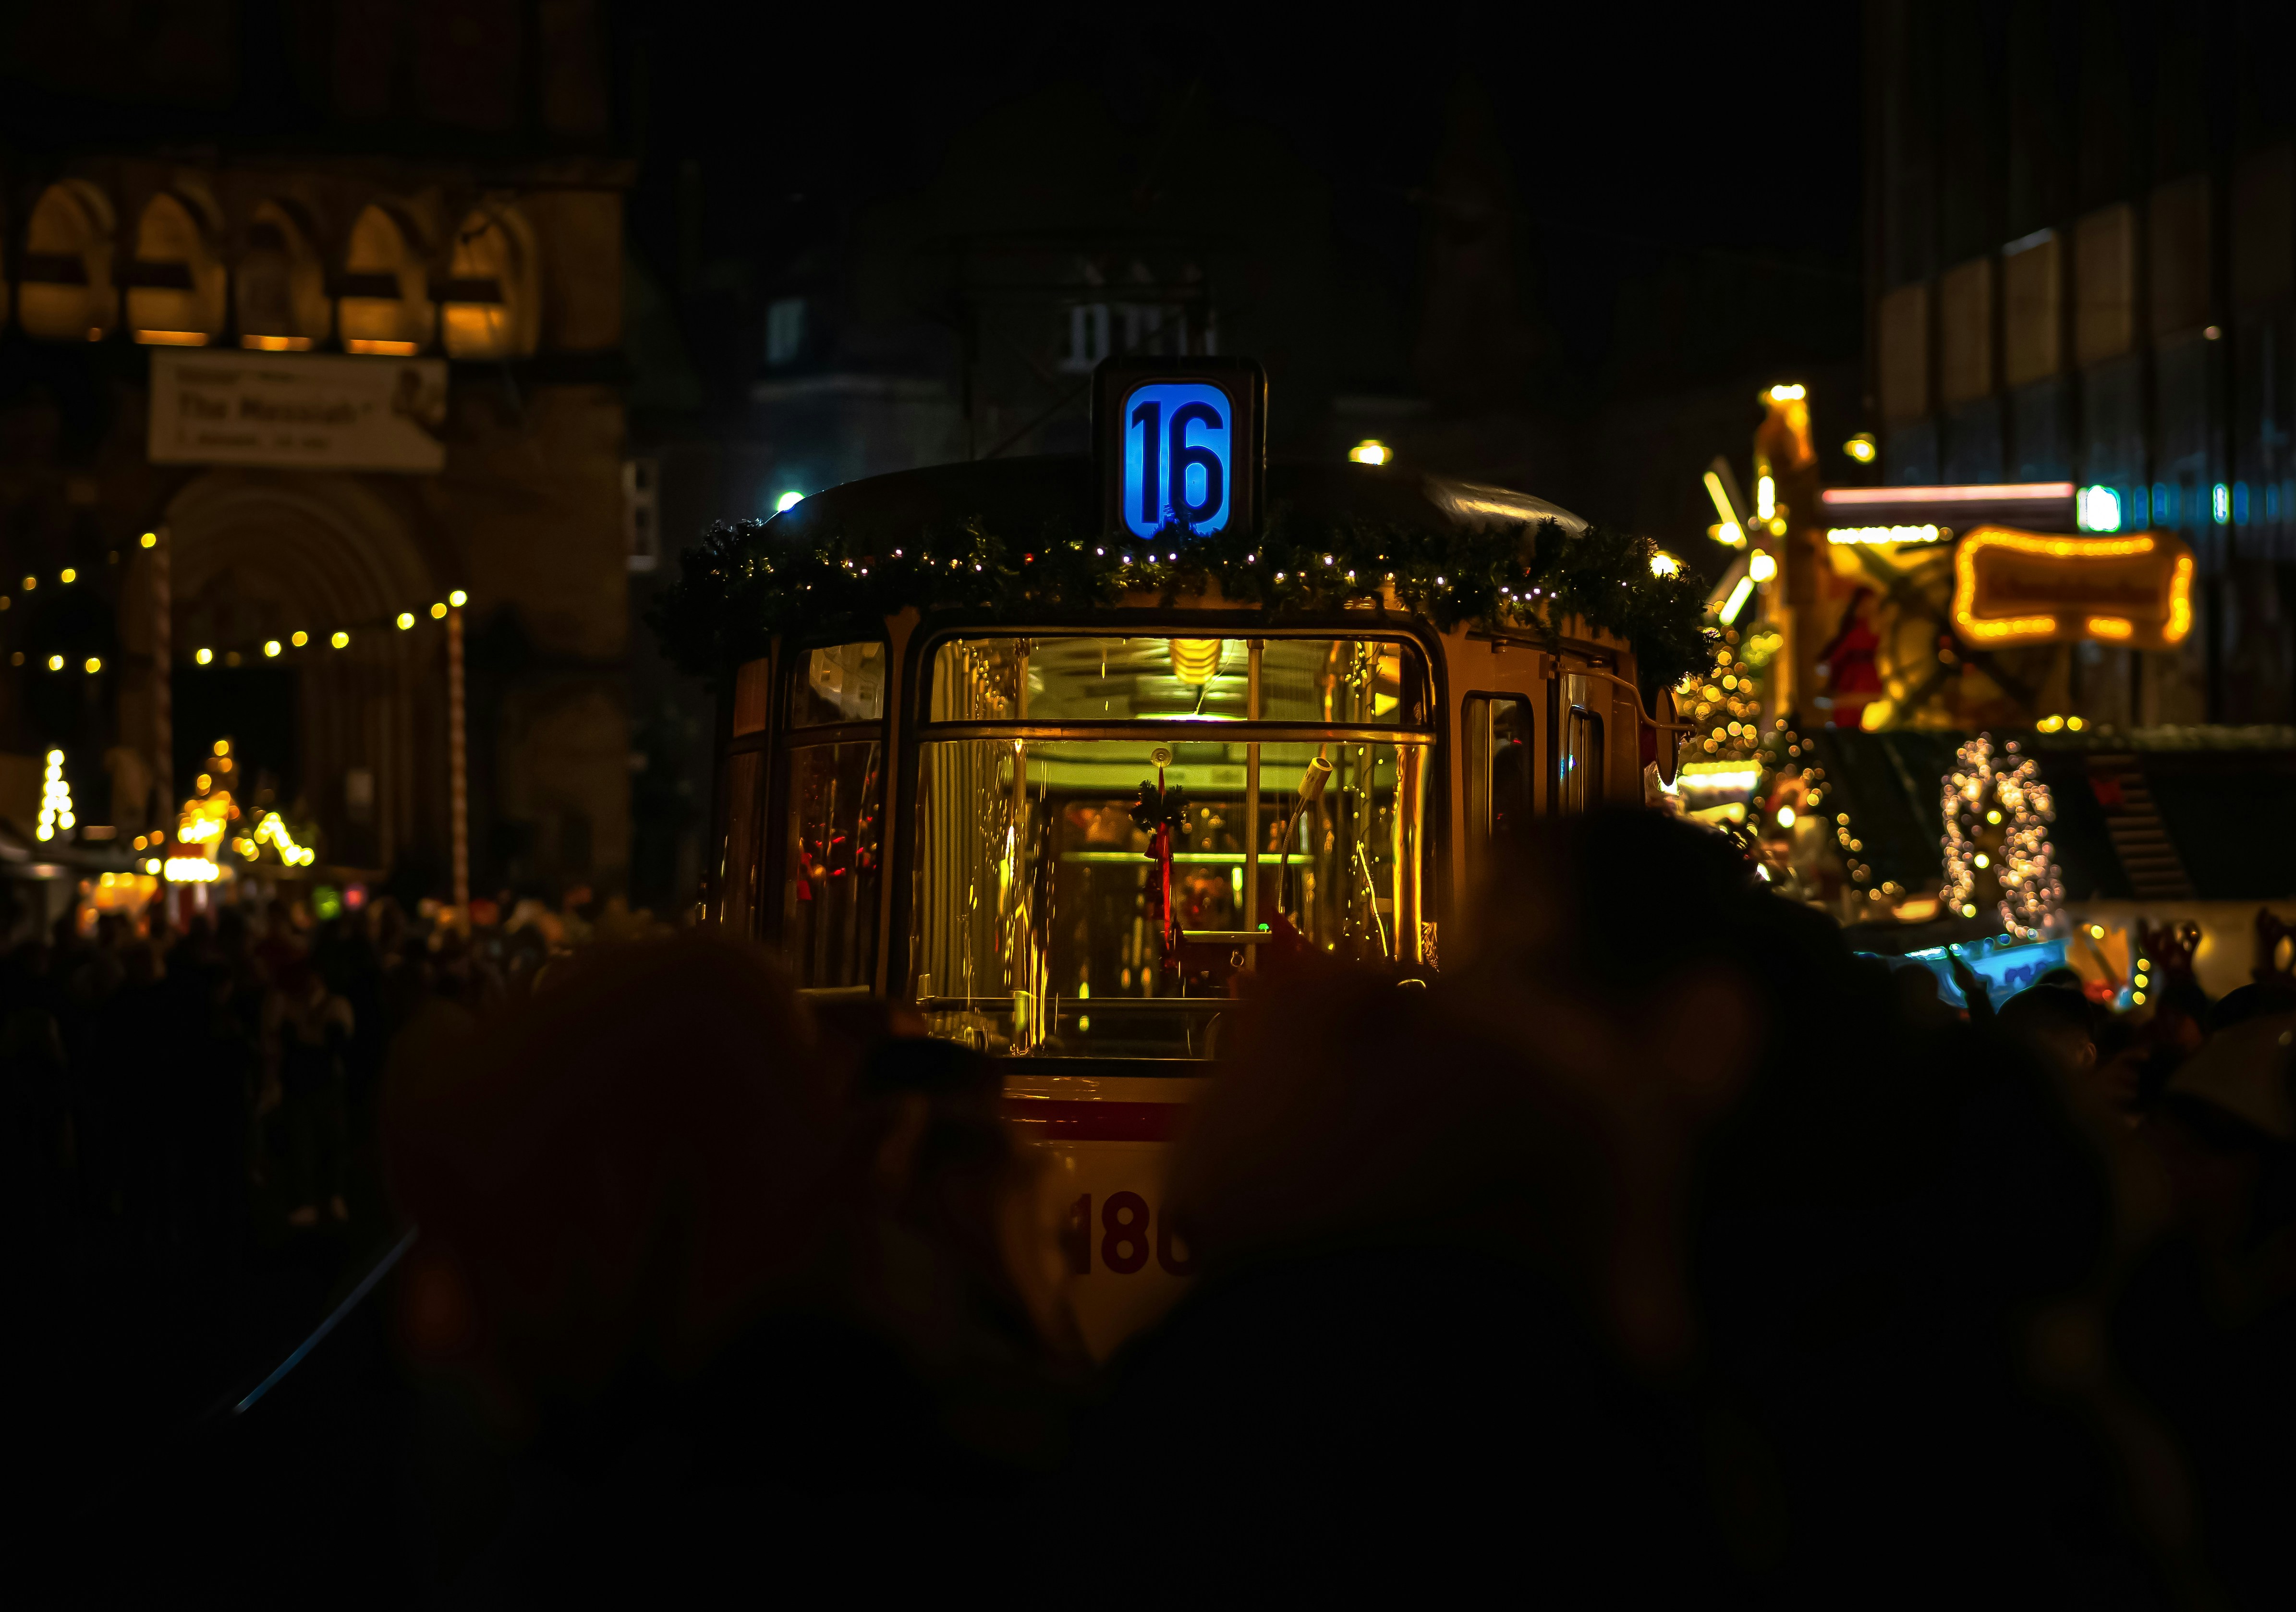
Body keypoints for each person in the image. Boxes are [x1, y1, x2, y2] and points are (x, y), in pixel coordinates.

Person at [264, 958, 354, 1227]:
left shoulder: (334, 1005)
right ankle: (309, 1201)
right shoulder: (294, 1006)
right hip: (302, 1083)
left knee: (330, 1140)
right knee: (303, 1143)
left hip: (322, 1083)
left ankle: (333, 1196)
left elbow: (335, 1043)